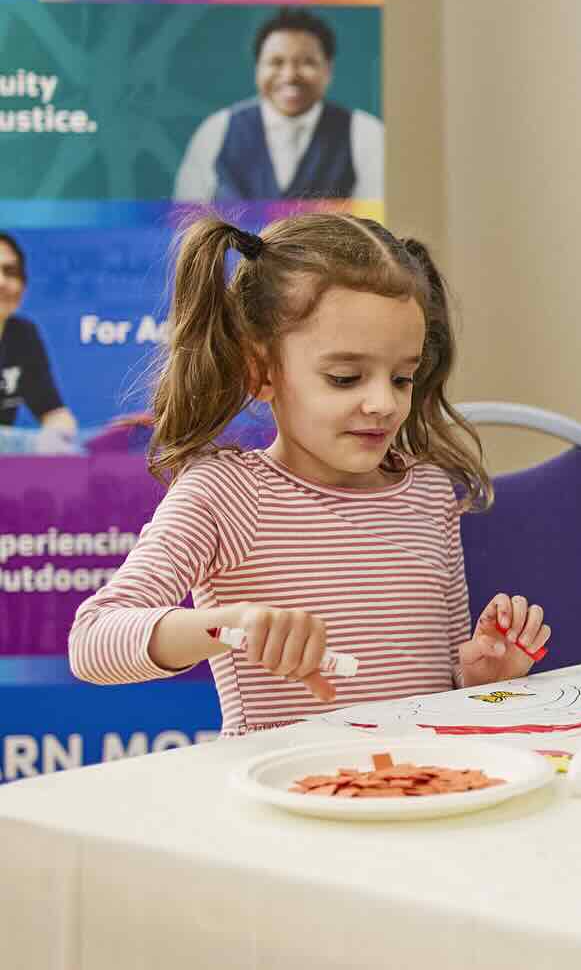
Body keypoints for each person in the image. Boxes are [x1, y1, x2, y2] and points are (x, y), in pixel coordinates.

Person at [68, 214, 548, 734]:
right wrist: (230, 627)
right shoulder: (226, 494)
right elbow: (93, 641)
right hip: (284, 800)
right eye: (345, 378)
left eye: (403, 377)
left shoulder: (429, 493)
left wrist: (483, 675)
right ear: (261, 371)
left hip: (419, 789)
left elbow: (441, 686)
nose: (384, 403)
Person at [173, 8, 386, 204]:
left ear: (328, 70)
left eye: (307, 62)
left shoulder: (365, 133)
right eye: (276, 62)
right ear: (257, 68)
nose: (290, 75)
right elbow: (186, 222)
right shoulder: (217, 130)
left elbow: (378, 227)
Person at [0, 231, 79, 450]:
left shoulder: (22, 334)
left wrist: (62, 437)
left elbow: (54, 413)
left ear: (23, 286)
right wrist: (31, 443)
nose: (1, 282)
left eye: (10, 272)